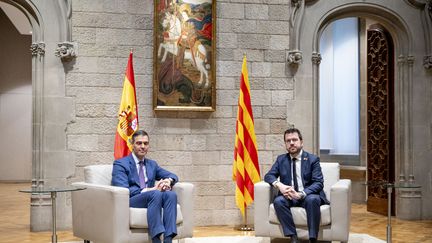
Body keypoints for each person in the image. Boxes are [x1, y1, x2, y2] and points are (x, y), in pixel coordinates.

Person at [112, 130, 179, 243]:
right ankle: (156, 239)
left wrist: (168, 181)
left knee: (171, 195)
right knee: (156, 193)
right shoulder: (120, 164)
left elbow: (172, 175)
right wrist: (150, 189)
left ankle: (168, 239)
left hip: (152, 197)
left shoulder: (152, 164)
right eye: (139, 143)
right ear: (132, 144)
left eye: (146, 143)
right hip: (131, 199)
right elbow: (123, 190)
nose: (143, 146)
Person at [264, 128, 329, 243]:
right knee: (278, 201)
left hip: (307, 195)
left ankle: (312, 238)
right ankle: (293, 237)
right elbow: (269, 176)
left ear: (301, 142)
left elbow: (318, 183)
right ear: (285, 144)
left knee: (313, 199)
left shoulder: (312, 159)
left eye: (294, 140)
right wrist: (280, 185)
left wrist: (301, 194)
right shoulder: (281, 160)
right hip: (289, 196)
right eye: (288, 141)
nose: (291, 143)